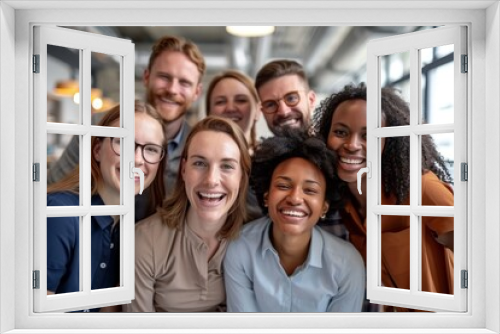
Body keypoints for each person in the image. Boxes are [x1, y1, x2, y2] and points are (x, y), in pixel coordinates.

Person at [314, 83, 454, 301]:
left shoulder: (423, 189)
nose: (351, 145)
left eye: (369, 135)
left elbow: (483, 262)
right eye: (340, 132)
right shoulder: (340, 206)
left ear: (390, 142)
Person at [47, 35, 206, 219]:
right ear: (146, 77)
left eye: (184, 83)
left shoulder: (198, 148)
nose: (172, 89)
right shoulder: (99, 126)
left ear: (197, 92)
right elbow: (56, 190)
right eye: (164, 77)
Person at [223, 129, 365, 312]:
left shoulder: (347, 263)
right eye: (283, 186)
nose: (295, 198)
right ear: (266, 196)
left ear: (324, 206)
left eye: (310, 190)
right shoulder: (240, 247)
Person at [123, 116, 251, 312]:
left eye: (227, 166)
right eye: (200, 163)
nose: (211, 180)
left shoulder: (255, 239)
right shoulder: (145, 239)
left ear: (242, 176)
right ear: (183, 169)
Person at [46, 101, 166, 311]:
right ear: (97, 150)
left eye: (151, 149)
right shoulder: (61, 214)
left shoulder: (127, 227)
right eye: (123, 142)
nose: (137, 159)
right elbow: (36, 318)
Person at [205, 69, 262, 221]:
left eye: (241, 100)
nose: (230, 108)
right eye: (220, 101)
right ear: (209, 113)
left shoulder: (273, 163)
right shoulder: (194, 160)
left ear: (258, 110)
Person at [254, 59, 316, 135]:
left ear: (311, 100)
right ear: (262, 112)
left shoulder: (332, 145)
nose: (283, 112)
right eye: (270, 104)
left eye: (291, 98)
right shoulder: (258, 146)